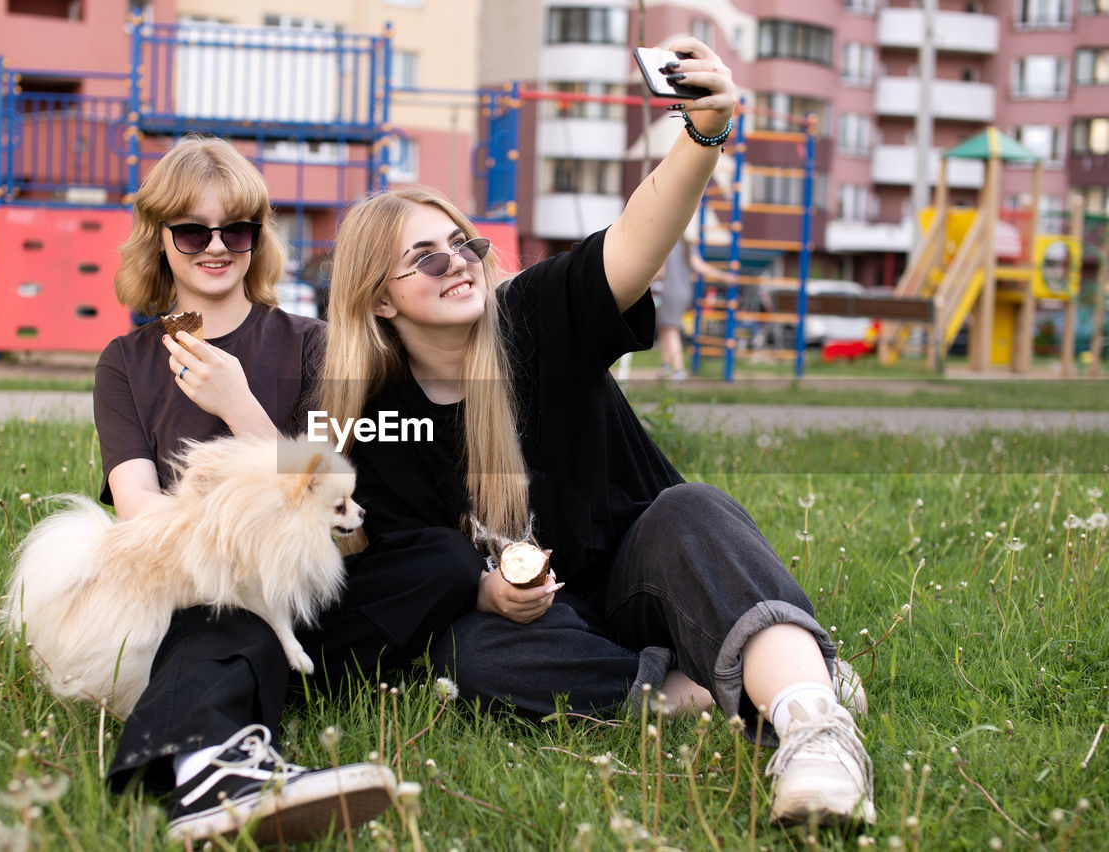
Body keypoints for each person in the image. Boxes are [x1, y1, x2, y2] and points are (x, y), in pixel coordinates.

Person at [318, 39, 875, 827]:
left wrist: (703, 134)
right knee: (463, 654)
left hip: (644, 582)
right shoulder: (373, 420)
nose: (457, 263)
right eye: (423, 258)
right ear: (379, 302)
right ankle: (717, 684)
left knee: (693, 511)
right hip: (548, 627)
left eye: (463, 244)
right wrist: (486, 590)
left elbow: (633, 244)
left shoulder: (534, 317)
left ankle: (816, 730)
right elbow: (388, 563)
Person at [93, 134, 479, 843]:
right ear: (159, 239)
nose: (216, 246)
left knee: (443, 562)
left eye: (236, 228)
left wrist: (238, 405)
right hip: (193, 587)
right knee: (228, 594)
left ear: (256, 236)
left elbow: (344, 523)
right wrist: (236, 548)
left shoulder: (311, 344)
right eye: (192, 230)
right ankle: (213, 764)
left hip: (311, 593)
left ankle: (250, 678)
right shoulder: (125, 362)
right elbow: (138, 512)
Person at [655, 224, 735, 381]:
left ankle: (678, 369)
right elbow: (700, 266)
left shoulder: (665, 245)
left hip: (668, 292)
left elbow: (660, 272)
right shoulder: (686, 246)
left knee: (671, 330)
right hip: (683, 292)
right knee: (665, 328)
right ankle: (665, 366)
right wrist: (723, 276)